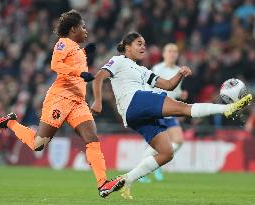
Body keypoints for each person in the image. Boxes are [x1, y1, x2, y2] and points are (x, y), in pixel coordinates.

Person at [90, 32, 252, 199]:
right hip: (135, 101)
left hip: (132, 116)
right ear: (127, 47)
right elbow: (99, 77)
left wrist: (180, 73)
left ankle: (126, 180)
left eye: (144, 43)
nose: (143, 47)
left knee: (166, 152)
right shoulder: (118, 60)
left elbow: (168, 85)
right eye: (139, 43)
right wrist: (98, 101)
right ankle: (227, 109)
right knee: (184, 109)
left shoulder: (142, 70)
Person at [0, 10, 124, 198]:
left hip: (78, 101)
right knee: (38, 145)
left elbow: (73, 62)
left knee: (92, 138)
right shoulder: (63, 42)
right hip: (60, 98)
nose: (86, 31)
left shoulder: (76, 47)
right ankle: (10, 122)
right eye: (83, 27)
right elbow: (55, 64)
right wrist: (80, 74)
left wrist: (86, 52)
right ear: (72, 29)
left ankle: (103, 183)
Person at [139, 43, 187, 183]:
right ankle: (143, 172)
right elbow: (149, 88)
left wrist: (181, 94)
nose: (173, 53)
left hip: (170, 110)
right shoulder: (157, 69)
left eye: (175, 51)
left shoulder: (179, 70)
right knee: (157, 144)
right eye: (170, 51)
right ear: (164, 54)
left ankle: (158, 162)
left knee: (179, 141)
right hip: (158, 110)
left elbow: (174, 91)